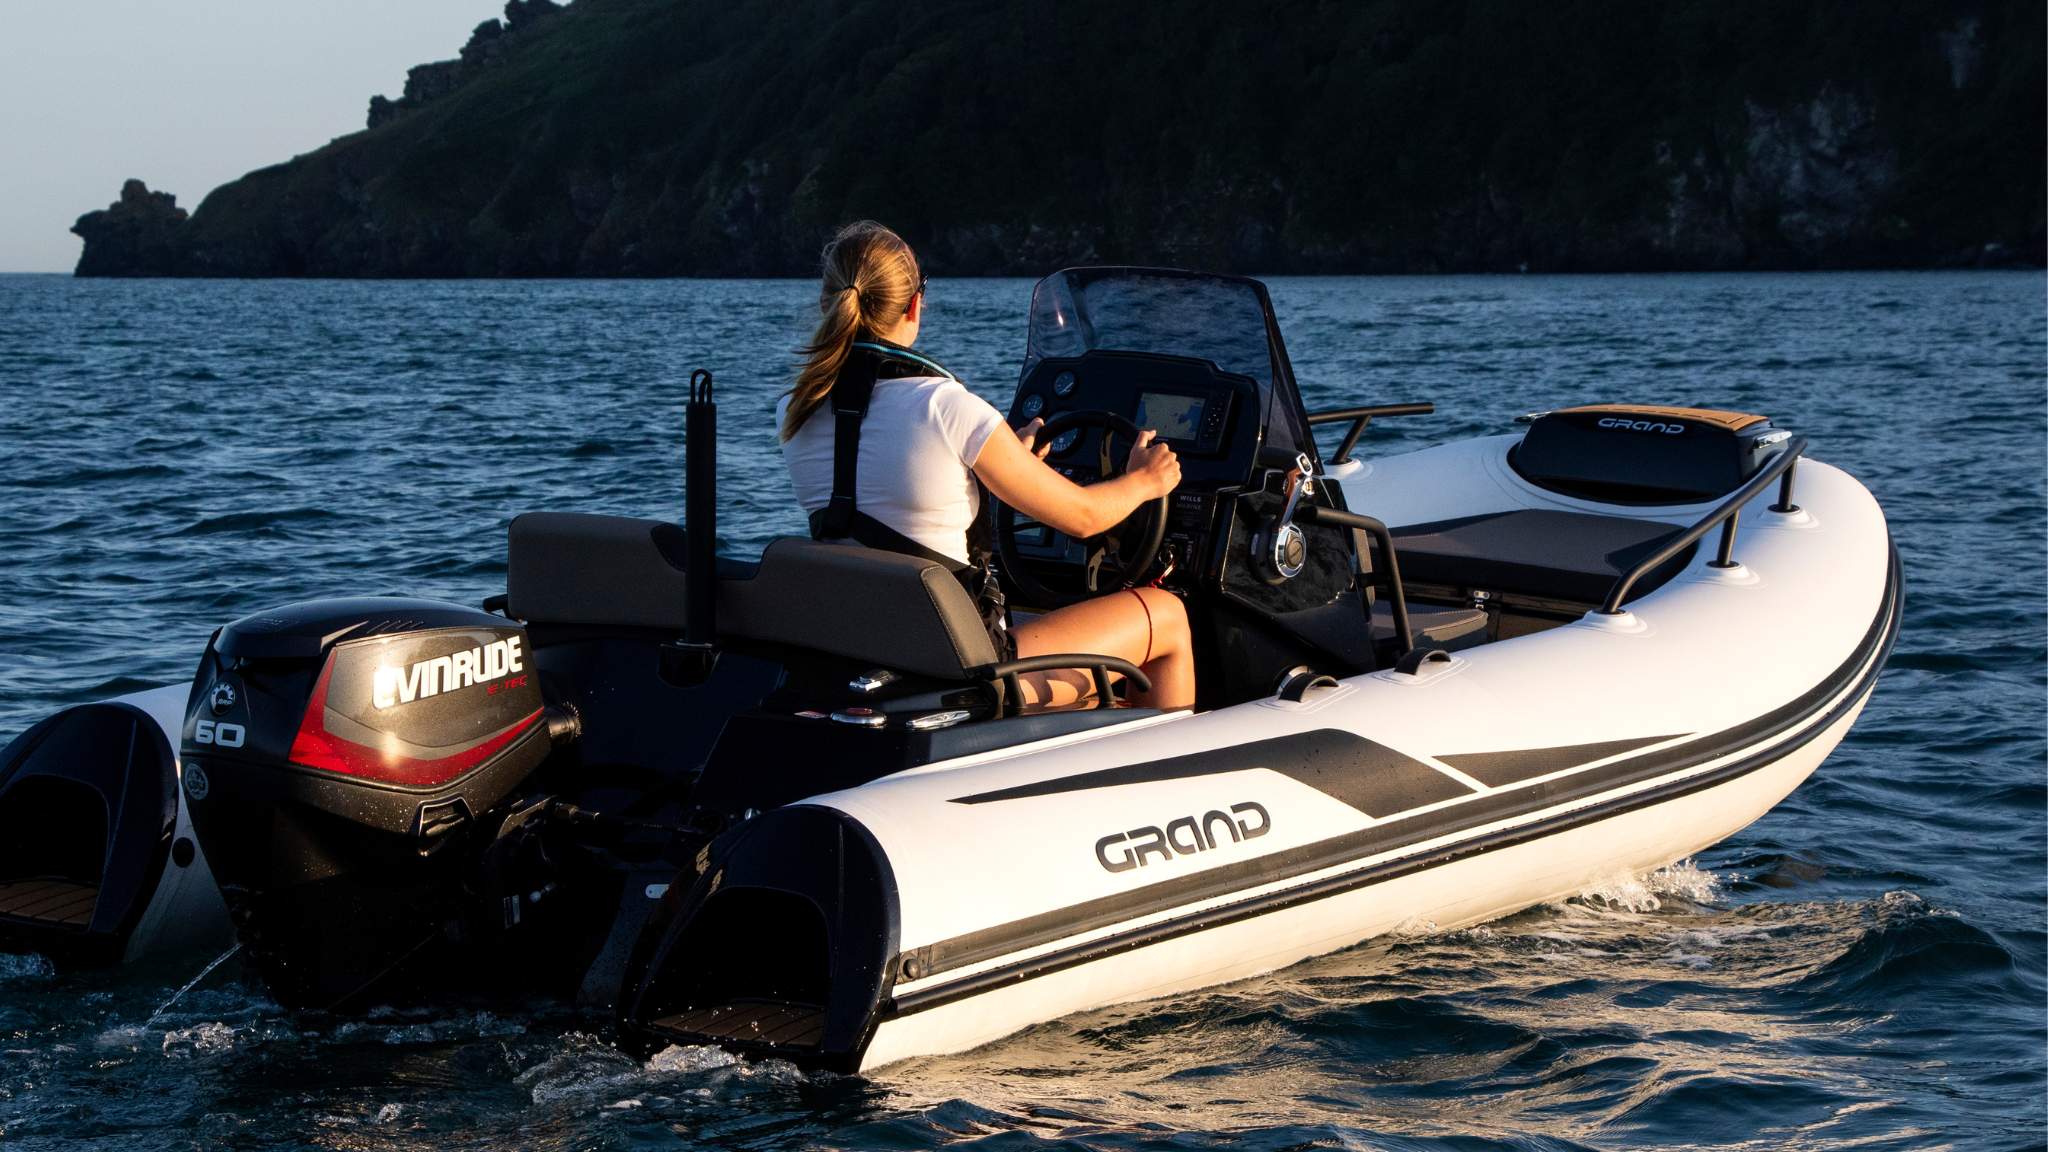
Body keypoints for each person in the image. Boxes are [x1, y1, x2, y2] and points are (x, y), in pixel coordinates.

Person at [778, 221, 1194, 711]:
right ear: (914, 305)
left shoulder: (796, 409)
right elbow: (1084, 517)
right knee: (1167, 616)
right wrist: (1145, 479)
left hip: (866, 649)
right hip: (966, 670)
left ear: (830, 302)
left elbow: (889, 494)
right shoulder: (945, 405)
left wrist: (1003, 463)